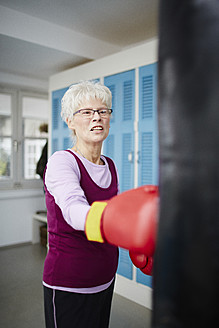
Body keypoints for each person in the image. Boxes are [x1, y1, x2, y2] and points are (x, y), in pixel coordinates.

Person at [43, 81, 119, 328]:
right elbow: (76, 212)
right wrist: (127, 225)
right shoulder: (61, 162)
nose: (96, 117)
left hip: (105, 279)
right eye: (86, 112)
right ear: (70, 121)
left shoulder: (110, 164)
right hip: (70, 283)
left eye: (103, 111)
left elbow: (112, 218)